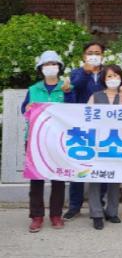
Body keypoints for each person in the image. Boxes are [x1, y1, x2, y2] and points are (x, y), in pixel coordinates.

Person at [21, 51, 74, 233]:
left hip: (59, 139)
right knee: (36, 178)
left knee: (58, 178)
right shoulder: (33, 89)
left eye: (54, 64)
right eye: (46, 64)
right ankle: (36, 216)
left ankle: (56, 215)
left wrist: (68, 93)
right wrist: (28, 108)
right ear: (41, 68)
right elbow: (24, 110)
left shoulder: (67, 87)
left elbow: (73, 111)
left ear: (59, 67)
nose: (50, 67)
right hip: (35, 139)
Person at [63, 41, 106, 221]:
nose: (94, 55)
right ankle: (75, 206)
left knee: (102, 165)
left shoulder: (108, 73)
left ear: (103, 56)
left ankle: (99, 204)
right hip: (81, 125)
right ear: (84, 56)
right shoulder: (76, 73)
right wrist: (86, 72)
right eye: (90, 52)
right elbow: (72, 92)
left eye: (97, 52)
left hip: (103, 126)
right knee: (78, 165)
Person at [87, 65, 122, 230]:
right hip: (98, 142)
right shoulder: (96, 96)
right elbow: (86, 116)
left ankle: (112, 211)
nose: (113, 79)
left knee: (115, 177)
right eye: (109, 76)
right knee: (95, 178)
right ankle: (96, 213)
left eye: (116, 76)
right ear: (104, 79)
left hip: (119, 141)